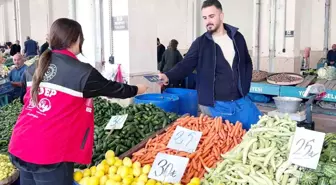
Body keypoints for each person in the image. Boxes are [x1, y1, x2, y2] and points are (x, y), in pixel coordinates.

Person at [9, 18, 148, 185]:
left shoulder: (34, 67)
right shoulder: (82, 72)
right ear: (76, 40)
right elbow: (116, 90)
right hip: (49, 153)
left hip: (21, 143)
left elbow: (24, 101)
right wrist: (139, 88)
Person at [158, 0, 260, 129]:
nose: (208, 21)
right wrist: (167, 76)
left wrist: (245, 85)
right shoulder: (201, 43)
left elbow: (246, 62)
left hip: (241, 99)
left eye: (211, 16)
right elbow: (186, 64)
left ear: (221, 16)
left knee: (260, 128)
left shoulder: (237, 37)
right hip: (216, 103)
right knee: (228, 140)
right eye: (205, 18)